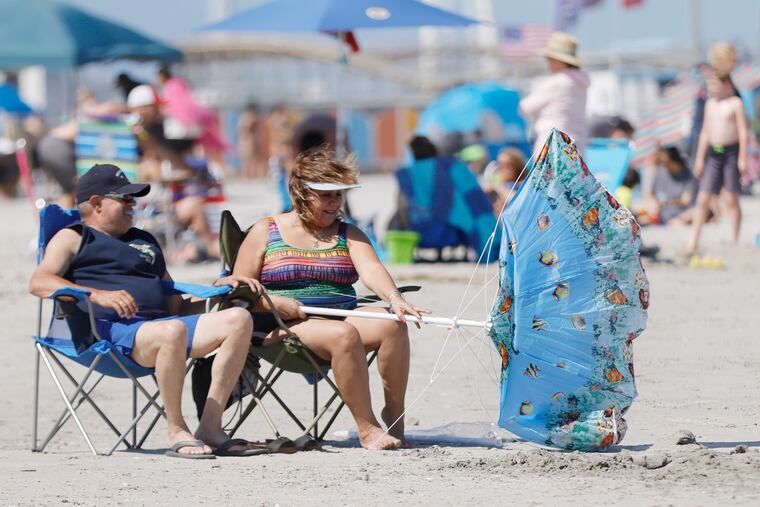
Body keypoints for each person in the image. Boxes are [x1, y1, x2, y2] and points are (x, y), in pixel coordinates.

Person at [28, 164, 261, 458]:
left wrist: (219, 293)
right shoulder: (74, 237)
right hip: (108, 336)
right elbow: (39, 282)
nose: (133, 205)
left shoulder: (145, 240)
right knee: (171, 330)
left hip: (161, 328)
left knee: (239, 319)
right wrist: (98, 295)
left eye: (133, 199)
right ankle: (177, 429)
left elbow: (173, 303)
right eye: (124, 199)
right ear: (97, 203)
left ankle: (210, 428)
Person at [233, 148, 427, 450]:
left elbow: (372, 269)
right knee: (343, 334)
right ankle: (367, 428)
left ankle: (394, 416)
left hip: (340, 316)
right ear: (300, 192)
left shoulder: (348, 233)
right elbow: (240, 289)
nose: (334, 203)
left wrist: (394, 297)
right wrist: (273, 303)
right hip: (283, 326)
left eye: (338, 195)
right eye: (325, 195)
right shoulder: (265, 230)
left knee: (392, 324)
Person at [127, 84, 220, 260]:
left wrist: (190, 173)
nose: (159, 110)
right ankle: (208, 248)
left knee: (194, 205)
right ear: (143, 108)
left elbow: (161, 154)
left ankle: (205, 248)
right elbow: (154, 169)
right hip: (149, 213)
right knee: (195, 206)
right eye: (154, 106)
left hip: (156, 209)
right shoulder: (137, 135)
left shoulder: (144, 134)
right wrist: (188, 174)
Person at [686, 69, 748, 254]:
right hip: (713, 154)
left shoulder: (736, 103)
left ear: (726, 84)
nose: (711, 88)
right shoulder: (710, 104)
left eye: (715, 84)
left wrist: (743, 158)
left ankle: (734, 239)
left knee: (731, 199)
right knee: (703, 198)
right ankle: (693, 241)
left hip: (731, 153)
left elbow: (743, 133)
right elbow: (705, 132)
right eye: (710, 84)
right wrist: (699, 158)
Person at [519, 32, 590, 155]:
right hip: (577, 145)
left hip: (554, 144)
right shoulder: (580, 83)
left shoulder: (556, 82)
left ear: (559, 60)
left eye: (550, 59)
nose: (548, 62)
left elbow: (525, 108)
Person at [645, 146, 698, 225]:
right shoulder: (660, 173)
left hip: (683, 213)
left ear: (675, 161)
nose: (663, 165)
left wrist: (666, 202)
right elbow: (649, 193)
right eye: (661, 162)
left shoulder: (688, 176)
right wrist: (654, 203)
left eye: (666, 162)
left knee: (697, 211)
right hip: (662, 213)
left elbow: (685, 201)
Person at [481, 147, 526, 214]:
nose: (501, 167)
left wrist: (496, 186)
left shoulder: (523, 186)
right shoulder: (497, 185)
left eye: (507, 164)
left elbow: (517, 202)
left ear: (517, 166)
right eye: (499, 163)